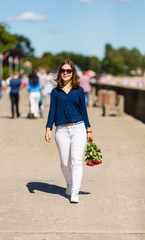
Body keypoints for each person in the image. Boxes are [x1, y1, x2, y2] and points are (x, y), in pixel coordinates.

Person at [45, 60, 93, 203]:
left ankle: (74, 192)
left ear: (73, 73)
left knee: (76, 160)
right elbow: (51, 111)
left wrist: (88, 129)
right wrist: (48, 128)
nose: (65, 73)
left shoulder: (79, 91)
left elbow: (84, 111)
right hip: (61, 130)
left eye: (68, 71)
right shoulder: (55, 92)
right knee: (65, 163)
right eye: (63, 70)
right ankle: (70, 182)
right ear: (60, 72)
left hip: (78, 128)